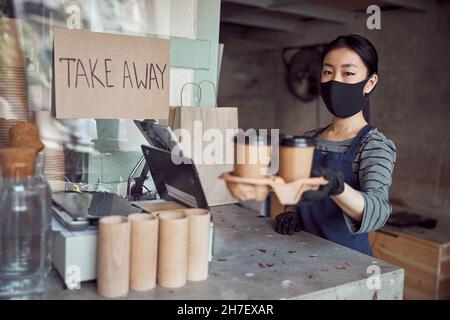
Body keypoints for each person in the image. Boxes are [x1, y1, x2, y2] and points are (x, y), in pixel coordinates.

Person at [274, 34, 396, 256]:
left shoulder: (374, 146)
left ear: (369, 83)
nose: (335, 81)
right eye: (328, 72)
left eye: (348, 73)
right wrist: (291, 212)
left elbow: (378, 213)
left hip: (348, 265)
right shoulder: (308, 139)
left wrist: (338, 188)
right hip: (302, 256)